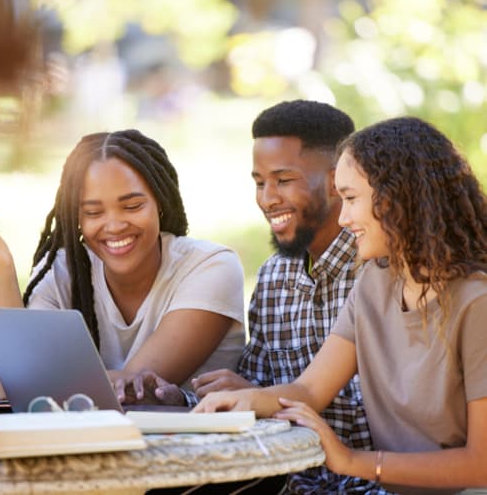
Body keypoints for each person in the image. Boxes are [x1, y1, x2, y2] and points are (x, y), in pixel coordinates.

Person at [194, 116, 487, 495]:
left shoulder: (476, 303)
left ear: (398, 197)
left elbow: (480, 465)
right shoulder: (375, 282)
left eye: (350, 199)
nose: (344, 217)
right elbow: (311, 390)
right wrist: (245, 401)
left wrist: (353, 461)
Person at [152, 100, 389, 493]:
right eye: (259, 183)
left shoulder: (381, 271)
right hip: (287, 480)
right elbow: (255, 388)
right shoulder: (273, 277)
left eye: (283, 179)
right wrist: (179, 399)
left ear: (336, 181)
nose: (267, 198)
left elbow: (376, 411)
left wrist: (262, 398)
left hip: (372, 481)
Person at [0, 128, 246, 402]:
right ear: (76, 217)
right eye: (93, 212)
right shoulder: (61, 271)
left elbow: (134, 386)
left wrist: (15, 384)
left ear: (159, 201)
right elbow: (24, 368)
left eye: (132, 206)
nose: (114, 226)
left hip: (200, 442)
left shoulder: (211, 267)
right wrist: (1, 267)